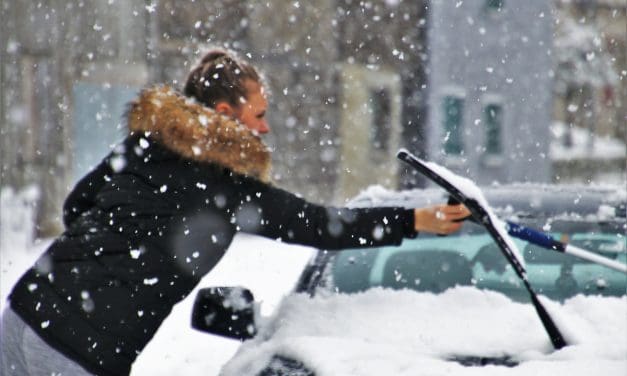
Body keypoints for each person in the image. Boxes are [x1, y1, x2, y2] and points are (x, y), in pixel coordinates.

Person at [0, 49, 470, 376]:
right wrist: (414, 221)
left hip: (23, 312)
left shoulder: (144, 145)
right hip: (77, 349)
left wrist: (113, 247)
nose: (264, 128)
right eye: (259, 114)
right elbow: (318, 225)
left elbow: (75, 206)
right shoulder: (225, 188)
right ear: (225, 111)